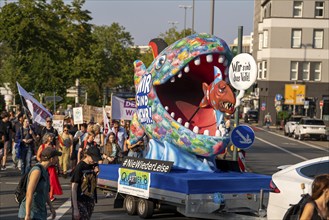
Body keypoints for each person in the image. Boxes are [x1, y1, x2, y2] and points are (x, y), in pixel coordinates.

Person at [18, 147, 62, 220]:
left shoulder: (45, 171)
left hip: (40, 211)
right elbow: (29, 193)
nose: (57, 160)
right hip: (31, 212)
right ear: (51, 159)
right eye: (56, 157)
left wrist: (51, 207)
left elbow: (46, 192)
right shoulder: (37, 171)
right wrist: (28, 215)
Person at [71, 146, 102, 220]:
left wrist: (96, 173)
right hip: (80, 200)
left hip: (90, 199)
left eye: (96, 160)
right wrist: (75, 208)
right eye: (93, 159)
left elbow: (93, 182)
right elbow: (73, 188)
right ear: (87, 155)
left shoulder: (94, 165)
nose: (95, 161)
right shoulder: (80, 167)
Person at [36, 133, 63, 202]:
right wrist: (42, 161)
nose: (51, 138)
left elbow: (56, 158)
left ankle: (50, 196)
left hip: (52, 167)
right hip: (45, 166)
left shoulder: (53, 147)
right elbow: (38, 156)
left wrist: (59, 167)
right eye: (50, 137)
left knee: (52, 182)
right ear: (46, 138)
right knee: (44, 181)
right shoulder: (42, 146)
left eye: (52, 137)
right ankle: (46, 195)